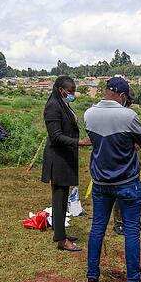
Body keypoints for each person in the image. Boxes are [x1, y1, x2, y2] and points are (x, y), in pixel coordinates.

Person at [84, 76, 141, 282]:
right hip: (126, 182)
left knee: (97, 229)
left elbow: (94, 141)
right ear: (123, 95)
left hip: (100, 182)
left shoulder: (89, 114)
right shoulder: (129, 116)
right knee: (132, 230)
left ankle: (92, 278)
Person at [41, 75, 91, 252]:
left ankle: (60, 231)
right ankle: (61, 240)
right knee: (59, 198)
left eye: (74, 91)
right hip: (58, 158)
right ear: (60, 89)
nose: (72, 94)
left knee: (62, 198)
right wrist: (79, 142)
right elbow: (56, 136)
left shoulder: (63, 104)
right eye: (70, 91)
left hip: (65, 157)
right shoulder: (53, 106)